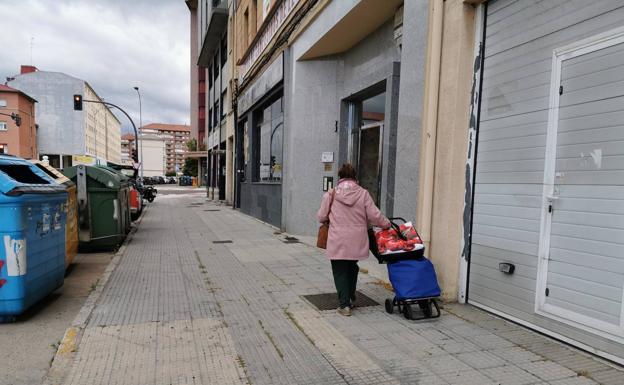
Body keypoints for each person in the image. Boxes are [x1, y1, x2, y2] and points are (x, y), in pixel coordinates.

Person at [317, 163, 391, 316]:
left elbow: (321, 216)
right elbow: (374, 215)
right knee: (352, 267)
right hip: (357, 239)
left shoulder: (331, 194)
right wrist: (387, 224)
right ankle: (350, 297)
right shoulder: (363, 194)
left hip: (338, 239)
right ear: (354, 176)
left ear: (340, 177)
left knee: (339, 270)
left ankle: (344, 305)